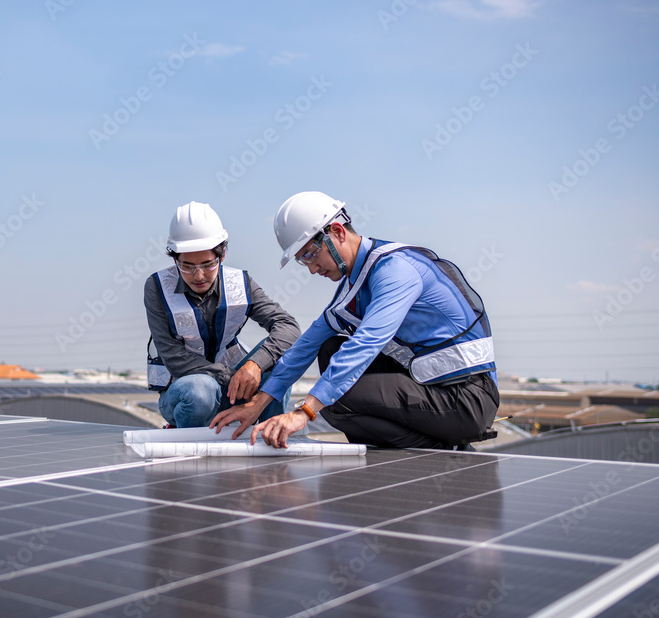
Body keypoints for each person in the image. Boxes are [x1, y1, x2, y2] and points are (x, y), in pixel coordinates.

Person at [212, 191, 499, 450]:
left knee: (335, 399)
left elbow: (366, 343)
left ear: (337, 232)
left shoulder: (395, 271)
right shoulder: (354, 285)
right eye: (303, 261)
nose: (311, 269)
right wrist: (258, 403)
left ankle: (439, 448)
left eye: (311, 254)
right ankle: (434, 442)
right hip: (430, 385)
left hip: (467, 397)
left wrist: (305, 411)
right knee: (329, 349)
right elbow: (305, 346)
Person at [145, 201, 301, 428]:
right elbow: (172, 355)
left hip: (233, 390)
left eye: (208, 265)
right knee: (201, 390)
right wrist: (231, 379)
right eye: (187, 266)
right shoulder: (157, 287)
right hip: (185, 392)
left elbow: (288, 327)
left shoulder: (240, 283)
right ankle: (188, 442)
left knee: (280, 361)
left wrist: (255, 365)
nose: (198, 276)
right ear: (175, 259)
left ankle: (267, 435)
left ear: (222, 255)